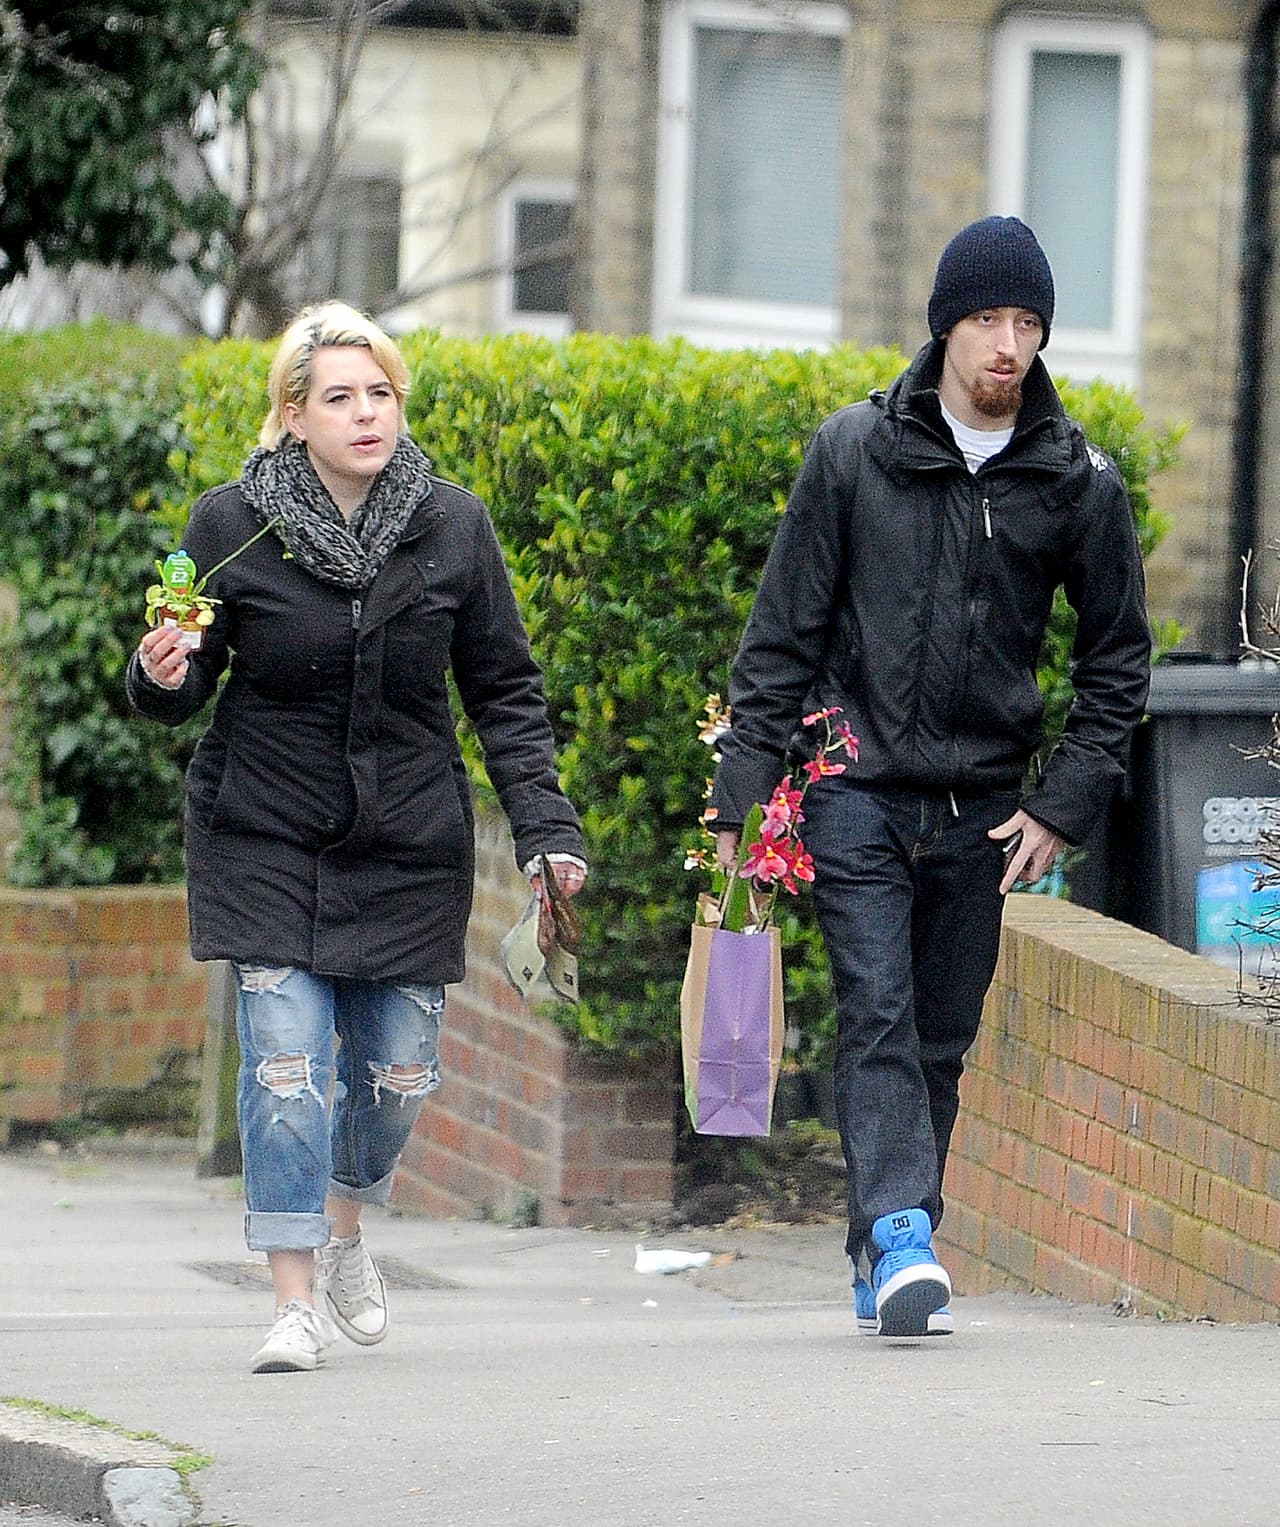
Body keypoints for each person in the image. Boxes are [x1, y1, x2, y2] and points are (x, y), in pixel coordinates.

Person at [708, 217, 1152, 1339]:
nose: (1007, 343)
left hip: (987, 807)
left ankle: (880, 1242)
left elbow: (1115, 659)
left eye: (1027, 323)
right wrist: (743, 794)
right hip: (853, 784)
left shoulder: (1074, 482)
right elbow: (781, 635)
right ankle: (907, 1230)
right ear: (944, 325)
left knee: (938, 1038)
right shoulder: (852, 452)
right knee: (876, 1011)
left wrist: (1063, 801)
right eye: (987, 319)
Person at [127, 301, 586, 1373]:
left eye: (380, 392)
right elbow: (182, 681)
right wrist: (162, 673)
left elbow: (503, 690)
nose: (366, 412)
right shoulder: (229, 524)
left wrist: (543, 829)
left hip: (406, 840)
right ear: (293, 416)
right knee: (286, 1064)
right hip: (264, 831)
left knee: (395, 1073)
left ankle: (344, 1229)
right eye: (339, 396)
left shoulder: (452, 525)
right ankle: (289, 1303)